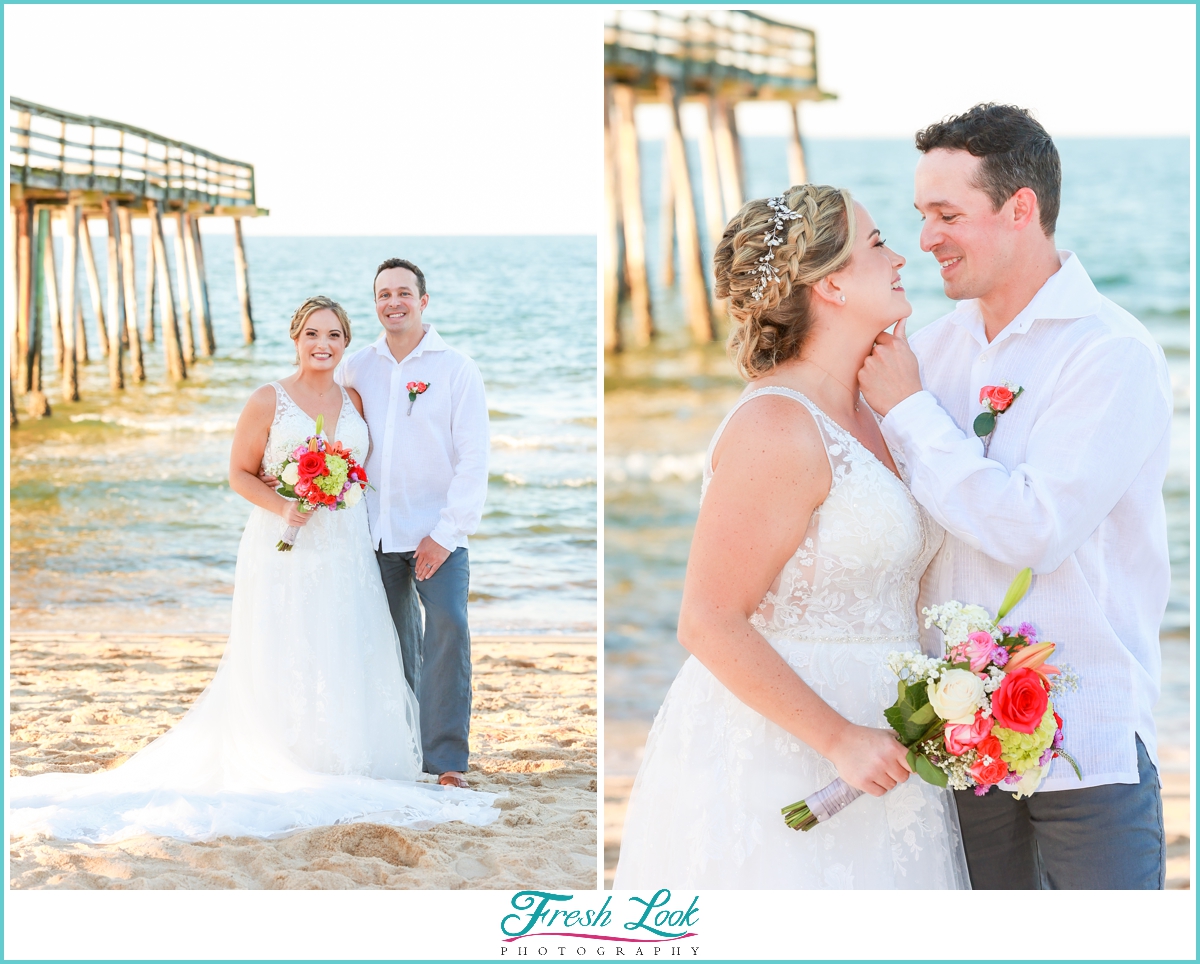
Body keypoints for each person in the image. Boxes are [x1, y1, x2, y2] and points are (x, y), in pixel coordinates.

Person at [9, 297, 498, 842]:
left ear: (345, 343)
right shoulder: (269, 399)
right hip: (283, 542)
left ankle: (346, 749)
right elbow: (240, 474)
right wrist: (286, 504)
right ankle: (286, 748)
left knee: (345, 643)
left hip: (346, 548)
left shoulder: (354, 395)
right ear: (295, 338)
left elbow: (369, 468)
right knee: (284, 641)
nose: (323, 344)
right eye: (313, 333)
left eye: (335, 335)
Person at [613, 185, 970, 889]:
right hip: (790, 745)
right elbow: (707, 620)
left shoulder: (881, 405)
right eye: (875, 244)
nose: (901, 255)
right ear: (831, 282)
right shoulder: (777, 424)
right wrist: (838, 739)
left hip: (889, 742)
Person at [859, 104, 1170, 890]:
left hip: (1086, 748)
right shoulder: (925, 354)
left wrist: (908, 413)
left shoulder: (1111, 354)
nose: (925, 238)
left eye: (947, 214)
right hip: (953, 750)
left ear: (1021, 208)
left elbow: (1035, 528)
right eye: (921, 215)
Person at [339, 260, 490, 789]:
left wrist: (444, 535)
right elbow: (334, 435)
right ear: (375, 303)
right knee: (392, 643)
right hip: (373, 533)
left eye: (404, 293)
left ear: (424, 301)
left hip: (437, 535)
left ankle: (445, 760)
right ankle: (403, 747)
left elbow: (474, 461)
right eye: (384, 294)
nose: (393, 302)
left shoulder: (457, 369)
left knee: (448, 630)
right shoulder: (355, 368)